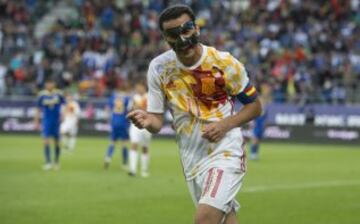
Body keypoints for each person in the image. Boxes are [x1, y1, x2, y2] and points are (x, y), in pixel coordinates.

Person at [127, 5, 262, 224]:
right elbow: (156, 120)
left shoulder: (224, 63)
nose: (182, 38)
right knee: (226, 220)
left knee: (205, 220)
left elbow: (255, 106)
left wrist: (225, 125)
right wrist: (146, 121)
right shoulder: (159, 68)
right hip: (191, 157)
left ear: (196, 28)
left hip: (225, 152)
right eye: (173, 34)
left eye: (186, 29)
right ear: (165, 38)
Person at [34, 79, 66, 171]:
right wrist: (36, 121)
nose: (49, 85)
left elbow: (65, 105)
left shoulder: (59, 94)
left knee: (57, 141)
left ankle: (56, 162)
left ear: (54, 84)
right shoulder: (42, 95)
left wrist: (63, 115)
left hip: (56, 121)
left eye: (50, 83)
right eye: (47, 83)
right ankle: (48, 162)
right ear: (45, 84)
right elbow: (38, 109)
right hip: (46, 121)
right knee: (46, 140)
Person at [104, 82, 131, 170]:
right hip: (123, 122)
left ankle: (108, 158)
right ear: (127, 89)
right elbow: (130, 109)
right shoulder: (127, 98)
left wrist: (108, 119)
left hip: (114, 121)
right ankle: (125, 163)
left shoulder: (114, 97)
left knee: (112, 142)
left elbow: (107, 109)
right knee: (124, 143)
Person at [128, 83, 152, 177]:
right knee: (134, 144)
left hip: (146, 124)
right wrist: (133, 108)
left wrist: (142, 108)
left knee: (145, 147)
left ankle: (144, 170)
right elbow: (130, 109)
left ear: (144, 87)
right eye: (136, 87)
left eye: (139, 86)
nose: (138, 88)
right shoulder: (134, 97)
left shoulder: (149, 97)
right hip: (135, 124)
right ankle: (132, 169)